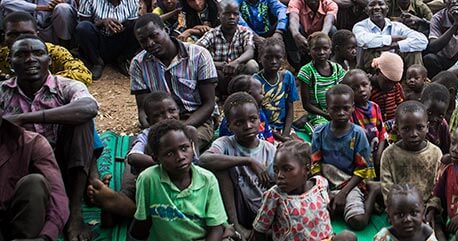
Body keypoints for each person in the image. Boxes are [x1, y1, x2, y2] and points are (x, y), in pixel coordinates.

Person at [0, 35, 100, 241]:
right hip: (22, 172)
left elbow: (90, 107)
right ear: (11, 64)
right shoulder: (2, 92)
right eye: (22, 54)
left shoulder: (65, 86)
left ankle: (75, 212)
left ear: (49, 60)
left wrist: (23, 118)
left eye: (38, 53)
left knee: (81, 122)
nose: (30, 59)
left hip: (65, 164)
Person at [131, 13, 218, 151]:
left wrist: (180, 128)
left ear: (165, 29)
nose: (150, 43)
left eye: (154, 36)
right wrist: (153, 131)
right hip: (160, 124)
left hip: (196, 121)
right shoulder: (138, 63)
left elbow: (209, 104)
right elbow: (142, 109)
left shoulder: (199, 55)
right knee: (143, 152)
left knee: (182, 148)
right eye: (143, 41)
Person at [129, 120, 227, 241]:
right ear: (156, 158)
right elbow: (142, 222)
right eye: (170, 154)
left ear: (192, 146)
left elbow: (215, 228)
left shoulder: (208, 180)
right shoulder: (148, 179)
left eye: (184, 148)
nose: (180, 157)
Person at [200, 92, 277, 239]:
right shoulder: (225, 143)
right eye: (239, 123)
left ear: (259, 120)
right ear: (229, 126)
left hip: (262, 210)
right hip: (237, 209)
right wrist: (247, 161)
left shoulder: (269, 150)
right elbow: (204, 159)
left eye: (253, 119)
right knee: (221, 167)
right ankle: (236, 226)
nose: (247, 126)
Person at [252, 140, 358, 241]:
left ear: (307, 169)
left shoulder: (320, 184)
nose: (279, 176)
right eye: (276, 170)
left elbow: (325, 211)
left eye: (287, 169)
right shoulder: (275, 196)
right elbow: (259, 229)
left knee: (348, 236)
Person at [310, 84, 376, 231]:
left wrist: (343, 193)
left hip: (350, 183)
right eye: (335, 109)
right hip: (325, 183)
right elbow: (315, 165)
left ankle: (372, 193)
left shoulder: (358, 134)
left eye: (346, 108)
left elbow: (362, 169)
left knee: (358, 221)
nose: (341, 113)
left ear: (352, 107)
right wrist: (324, 190)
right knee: (315, 219)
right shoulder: (319, 133)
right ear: (327, 109)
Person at [0, 115, 69, 241]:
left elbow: (58, 197)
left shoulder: (32, 143)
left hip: (16, 223)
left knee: (35, 184)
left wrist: (45, 237)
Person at [75, 0, 141, 79]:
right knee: (83, 28)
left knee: (139, 24)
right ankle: (96, 61)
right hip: (98, 42)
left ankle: (123, 58)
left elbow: (131, 24)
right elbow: (83, 23)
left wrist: (119, 26)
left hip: (119, 40)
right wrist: (102, 22)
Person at [0, 11, 91, 83]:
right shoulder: (2, 55)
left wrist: (42, 81)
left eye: (28, 33)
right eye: (13, 34)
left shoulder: (54, 51)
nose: (21, 38)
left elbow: (82, 74)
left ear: (37, 34)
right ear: (4, 36)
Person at [380, 100, 442, 203]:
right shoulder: (389, 154)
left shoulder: (435, 153)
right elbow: (387, 189)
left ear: (427, 127)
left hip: (427, 210)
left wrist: (432, 208)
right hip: (399, 208)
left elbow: (438, 187)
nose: (413, 134)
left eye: (419, 128)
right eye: (406, 129)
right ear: (397, 129)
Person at [195, 0, 259, 93]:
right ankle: (215, 95)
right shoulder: (212, 34)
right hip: (220, 76)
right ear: (218, 16)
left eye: (235, 14)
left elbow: (250, 51)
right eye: (227, 14)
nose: (232, 17)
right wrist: (217, 64)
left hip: (239, 74)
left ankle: (245, 93)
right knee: (206, 68)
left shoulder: (245, 32)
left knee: (252, 65)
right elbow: (196, 51)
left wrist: (236, 62)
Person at [354, 0, 428, 68]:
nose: (377, 7)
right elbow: (362, 40)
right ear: (366, 10)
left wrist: (395, 45)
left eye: (381, 4)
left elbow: (422, 41)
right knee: (370, 49)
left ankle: (414, 77)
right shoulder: (360, 26)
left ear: (387, 9)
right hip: (374, 69)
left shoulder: (397, 26)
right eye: (372, 5)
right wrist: (397, 38)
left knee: (414, 50)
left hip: (397, 65)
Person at [298, 32, 347, 133]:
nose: (321, 52)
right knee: (323, 132)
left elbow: (345, 92)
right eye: (316, 49)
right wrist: (326, 115)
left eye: (325, 48)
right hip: (318, 114)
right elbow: (306, 105)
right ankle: (307, 123)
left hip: (337, 110)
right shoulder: (306, 71)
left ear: (330, 50)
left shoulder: (337, 69)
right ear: (309, 51)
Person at [254, 36, 298, 140]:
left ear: (283, 58)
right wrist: (280, 138)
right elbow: (257, 115)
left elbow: (290, 108)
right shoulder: (255, 82)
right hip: (263, 129)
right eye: (268, 57)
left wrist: (285, 134)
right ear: (260, 58)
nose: (273, 61)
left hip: (283, 128)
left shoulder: (287, 77)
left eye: (278, 57)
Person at [287, 0, 338, 65]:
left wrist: (322, 37)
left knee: (333, 30)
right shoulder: (296, 1)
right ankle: (296, 63)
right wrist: (296, 35)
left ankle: (330, 61)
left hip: (321, 39)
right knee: (291, 29)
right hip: (303, 39)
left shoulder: (329, 4)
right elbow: (293, 18)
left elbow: (329, 21)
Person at [344, 68, 387, 166]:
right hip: (360, 158)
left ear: (370, 86)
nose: (361, 90)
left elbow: (382, 132)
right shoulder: (351, 112)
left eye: (364, 85)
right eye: (355, 88)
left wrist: (380, 153)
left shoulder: (375, 107)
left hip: (376, 152)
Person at [369, 51, 406, 121]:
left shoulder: (396, 87)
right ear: (378, 72)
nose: (391, 86)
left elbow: (400, 104)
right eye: (387, 82)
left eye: (394, 83)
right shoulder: (368, 89)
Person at [420, 83, 451, 155]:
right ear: (421, 104)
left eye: (440, 115)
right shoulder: (413, 122)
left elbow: (446, 149)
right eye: (429, 113)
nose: (434, 119)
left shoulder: (442, 125)